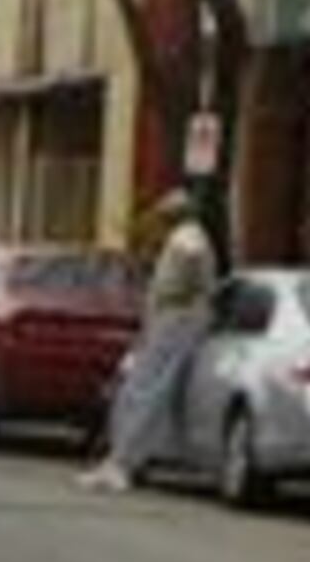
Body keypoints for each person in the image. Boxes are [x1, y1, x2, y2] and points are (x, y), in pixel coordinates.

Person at [78, 185, 217, 492]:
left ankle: (124, 463)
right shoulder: (183, 239)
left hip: (176, 321)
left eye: (165, 216)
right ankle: (119, 459)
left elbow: (189, 274)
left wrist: (176, 298)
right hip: (167, 321)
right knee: (136, 390)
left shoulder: (188, 239)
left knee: (146, 392)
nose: (161, 222)